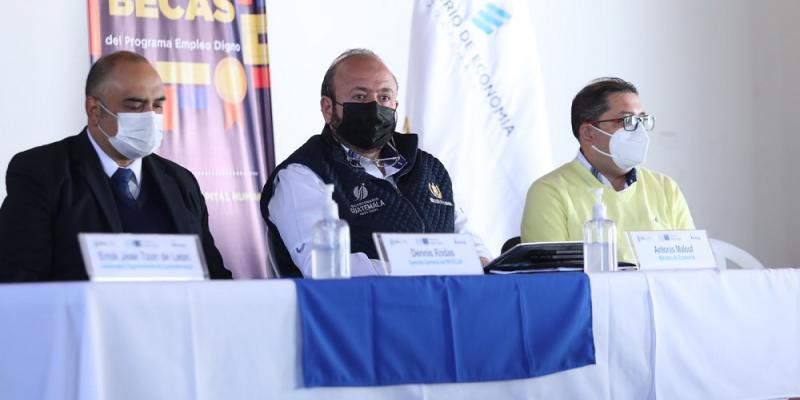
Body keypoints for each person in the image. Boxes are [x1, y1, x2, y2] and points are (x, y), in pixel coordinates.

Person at [0, 51, 232, 281]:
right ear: (94, 111)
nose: (149, 116)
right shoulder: (42, 172)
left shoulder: (181, 182)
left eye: (157, 106)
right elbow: (20, 280)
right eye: (135, 105)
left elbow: (213, 276)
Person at [262, 49, 490, 277]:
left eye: (384, 97)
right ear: (328, 108)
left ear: (395, 106)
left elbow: (468, 240)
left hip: (446, 305)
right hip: (361, 309)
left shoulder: (430, 168)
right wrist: (426, 267)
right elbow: (322, 265)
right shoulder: (302, 174)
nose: (374, 107)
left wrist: (484, 262)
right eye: (360, 97)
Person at [521, 77, 695, 263]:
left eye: (642, 120)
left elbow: (693, 267)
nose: (639, 131)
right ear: (589, 133)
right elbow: (553, 280)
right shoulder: (549, 192)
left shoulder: (665, 188)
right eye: (626, 120)